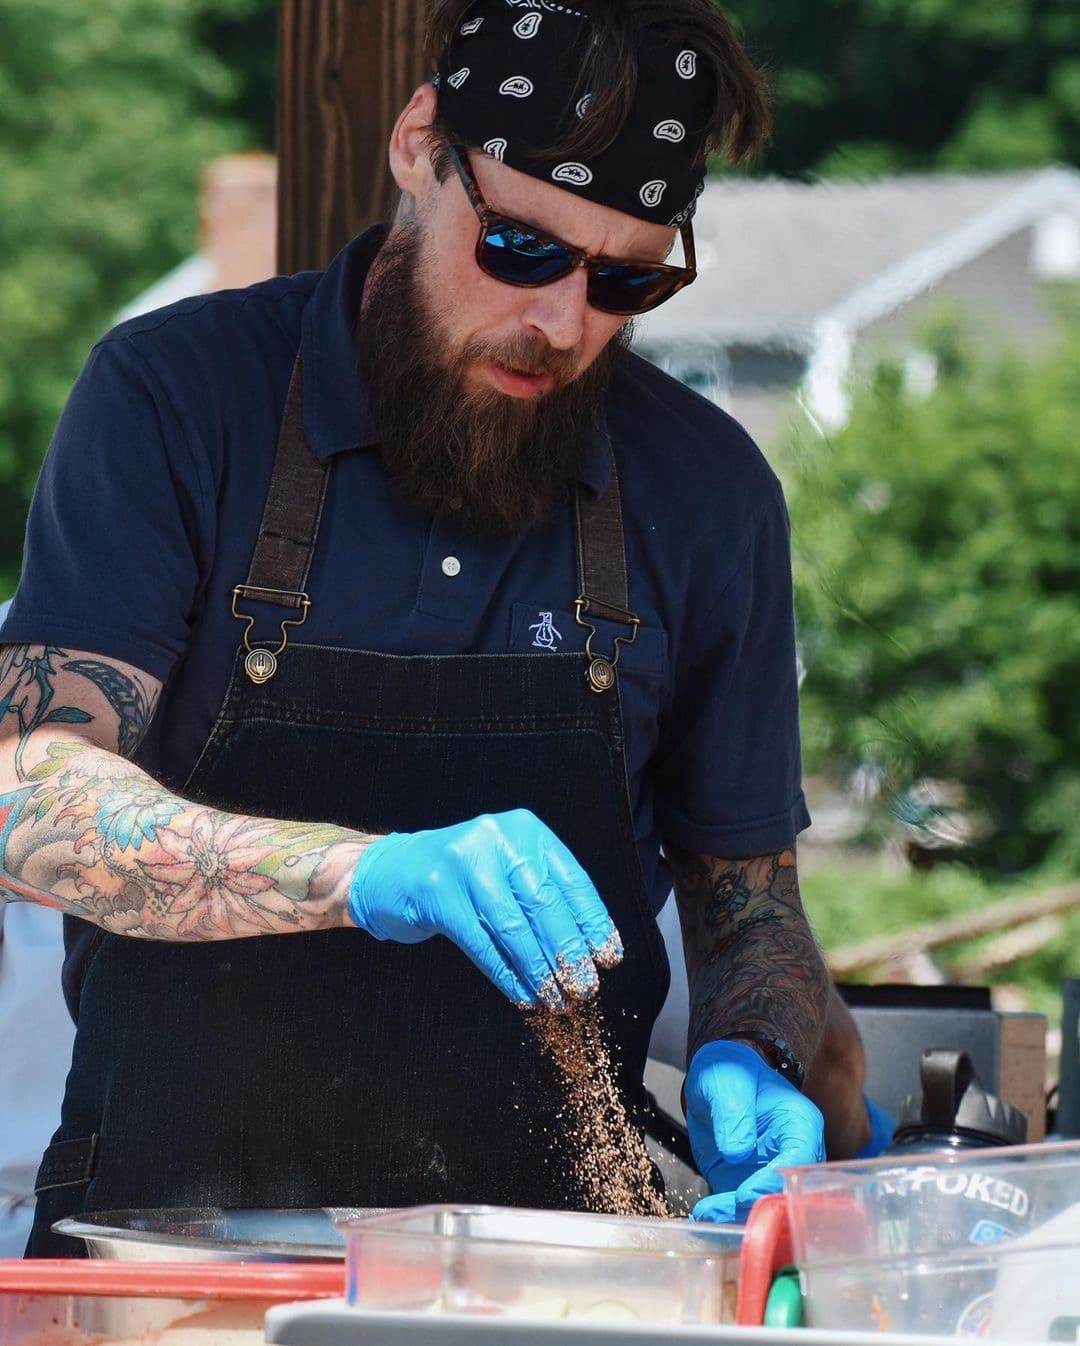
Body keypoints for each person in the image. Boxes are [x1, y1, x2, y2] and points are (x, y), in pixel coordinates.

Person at [1, 0, 874, 1254]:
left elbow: (753, 910)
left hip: (557, 1265)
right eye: (521, 248)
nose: (562, 323)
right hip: (169, 1243)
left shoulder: (708, 494)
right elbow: (27, 797)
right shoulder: (178, 400)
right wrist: (365, 872)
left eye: (628, 278)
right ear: (420, 146)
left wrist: (763, 1047)